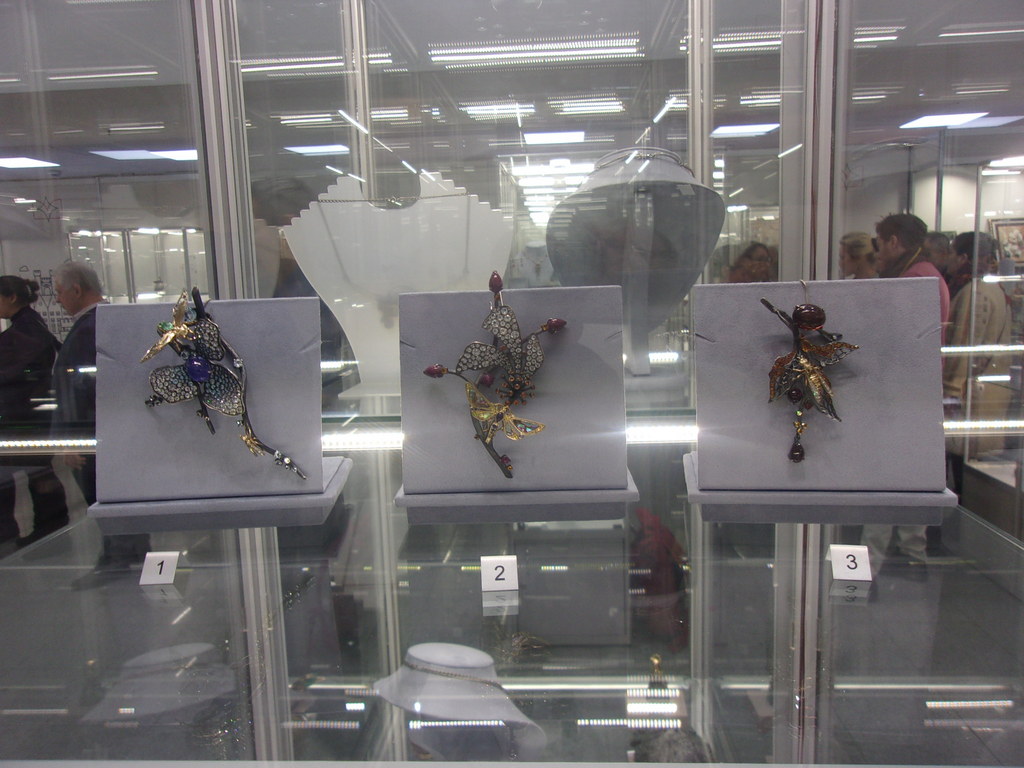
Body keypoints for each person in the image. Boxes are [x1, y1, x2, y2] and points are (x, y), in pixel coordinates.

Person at [0, 276, 67, 547]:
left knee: (29, 478)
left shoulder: (24, 333)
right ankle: (48, 531)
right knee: (37, 475)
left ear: (11, 298)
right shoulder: (31, 326)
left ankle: (43, 532)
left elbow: (16, 372)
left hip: (23, 417)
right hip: (31, 415)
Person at [943, 232, 1012, 488]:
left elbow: (963, 349)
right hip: (983, 390)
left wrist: (950, 393)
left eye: (952, 253)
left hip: (968, 394)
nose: (948, 259)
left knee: (962, 468)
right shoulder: (993, 289)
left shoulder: (975, 293)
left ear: (963, 257)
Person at [52, 261, 105, 505]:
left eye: (59, 292)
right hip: (102, 434)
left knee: (100, 504)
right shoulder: (107, 321)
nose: (58, 300)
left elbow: (79, 389)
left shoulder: (89, 328)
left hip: (90, 438)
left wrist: (71, 439)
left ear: (76, 290)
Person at [874, 213, 950, 330]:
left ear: (893, 242)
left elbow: (900, 329)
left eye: (880, 246)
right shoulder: (924, 270)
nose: (878, 254)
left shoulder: (914, 278)